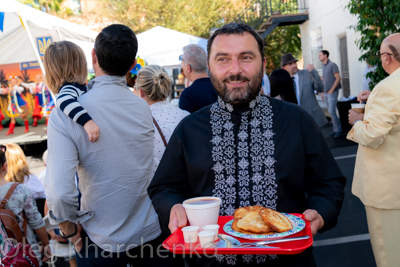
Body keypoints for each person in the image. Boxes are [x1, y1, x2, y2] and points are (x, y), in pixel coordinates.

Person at [148, 23, 346, 267]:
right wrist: (173, 207)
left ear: (263, 64)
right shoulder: (189, 129)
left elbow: (329, 183)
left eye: (246, 58)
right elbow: (164, 187)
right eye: (223, 59)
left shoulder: (297, 121)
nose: (235, 70)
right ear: (209, 67)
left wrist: (321, 212)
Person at [45, 24, 165, 267]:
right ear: (133, 66)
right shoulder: (142, 107)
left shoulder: (65, 114)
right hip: (150, 235)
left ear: (93, 56)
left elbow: (59, 194)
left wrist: (69, 230)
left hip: (101, 242)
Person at [347, 33, 400, 267]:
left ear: (387, 57)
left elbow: (372, 136)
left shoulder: (387, 88)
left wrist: (356, 122)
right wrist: (373, 105)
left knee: (389, 255)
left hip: (388, 190)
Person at [0, 145, 51, 264]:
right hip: (23, 256)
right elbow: (36, 221)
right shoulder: (20, 190)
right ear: (4, 166)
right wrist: (46, 244)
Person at [43, 41, 100, 143]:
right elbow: (63, 100)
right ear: (80, 66)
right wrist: (87, 122)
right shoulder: (69, 88)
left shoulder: (77, 87)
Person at [136, 65, 189, 171]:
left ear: (141, 92)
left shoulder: (139, 122)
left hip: (155, 184)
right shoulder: (186, 116)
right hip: (184, 183)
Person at [281, 53, 328, 128]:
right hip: (295, 119)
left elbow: (320, 88)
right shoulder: (282, 80)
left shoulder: (307, 74)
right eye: (290, 64)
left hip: (312, 117)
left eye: (294, 63)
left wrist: (314, 72)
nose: (294, 65)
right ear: (283, 68)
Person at [178, 44, 218, 113]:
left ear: (188, 68)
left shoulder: (188, 95)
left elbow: (185, 122)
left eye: (182, 65)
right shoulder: (221, 87)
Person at [319, 50, 343, 138]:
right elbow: (324, 80)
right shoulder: (324, 66)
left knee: (332, 112)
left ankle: (339, 130)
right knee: (330, 112)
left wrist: (332, 90)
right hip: (326, 92)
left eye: (320, 55)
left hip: (332, 92)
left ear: (325, 55)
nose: (319, 57)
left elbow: (338, 78)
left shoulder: (332, 65)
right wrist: (322, 92)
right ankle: (335, 129)